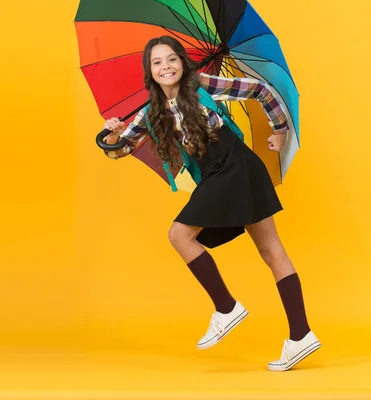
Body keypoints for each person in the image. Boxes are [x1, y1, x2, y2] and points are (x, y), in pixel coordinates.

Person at [102, 35, 321, 371]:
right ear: (149, 71)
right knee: (268, 250)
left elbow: (260, 91)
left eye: (172, 59)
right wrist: (111, 135)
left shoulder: (203, 83)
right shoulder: (150, 113)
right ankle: (300, 334)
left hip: (236, 165)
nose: (166, 67)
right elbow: (120, 150)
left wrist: (279, 129)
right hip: (218, 173)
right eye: (157, 62)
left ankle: (229, 308)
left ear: (182, 62)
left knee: (184, 235)